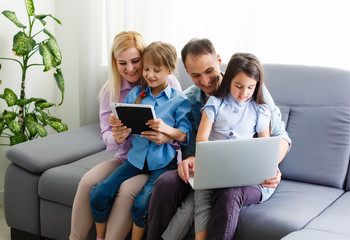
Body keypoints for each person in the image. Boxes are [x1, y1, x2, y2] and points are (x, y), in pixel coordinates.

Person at [146, 38, 291, 240]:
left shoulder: (250, 88)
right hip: (207, 172)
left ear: (219, 62)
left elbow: (280, 136)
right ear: (187, 72)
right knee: (165, 183)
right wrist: (188, 159)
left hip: (247, 176)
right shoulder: (190, 100)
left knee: (229, 193)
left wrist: (269, 166)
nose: (205, 81)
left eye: (209, 71)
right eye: (196, 75)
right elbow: (191, 145)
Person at [69, 31, 182, 240]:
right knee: (87, 182)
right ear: (115, 62)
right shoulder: (111, 90)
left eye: (136, 61)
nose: (130, 69)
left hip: (160, 159)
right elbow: (105, 133)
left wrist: (167, 137)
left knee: (128, 189)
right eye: (122, 63)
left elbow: (180, 128)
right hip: (127, 157)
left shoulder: (169, 83)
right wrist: (117, 137)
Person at [193, 52, 271, 239]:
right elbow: (201, 141)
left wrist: (269, 170)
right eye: (238, 86)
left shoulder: (260, 109)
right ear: (228, 80)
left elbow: (266, 148)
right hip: (217, 173)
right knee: (222, 192)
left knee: (230, 192)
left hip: (250, 180)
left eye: (250, 88)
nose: (244, 93)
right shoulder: (216, 103)